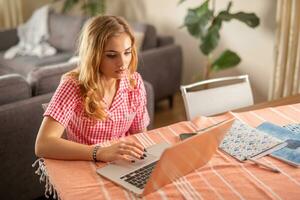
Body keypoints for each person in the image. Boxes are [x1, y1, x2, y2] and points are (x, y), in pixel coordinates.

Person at [35, 15, 149, 163]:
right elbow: (43, 144)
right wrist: (100, 153)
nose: (122, 63)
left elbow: (140, 135)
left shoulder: (134, 82)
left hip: (123, 164)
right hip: (86, 165)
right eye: (111, 55)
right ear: (94, 55)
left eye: (127, 52)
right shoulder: (73, 86)